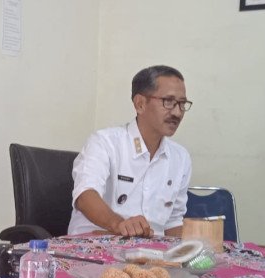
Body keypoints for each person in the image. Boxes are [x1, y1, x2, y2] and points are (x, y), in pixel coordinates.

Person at [68, 65, 192, 238]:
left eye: (182, 104)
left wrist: (187, 250)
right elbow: (85, 196)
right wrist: (119, 225)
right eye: (168, 101)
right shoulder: (105, 142)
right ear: (140, 104)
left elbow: (173, 221)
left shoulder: (180, 157)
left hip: (151, 249)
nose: (177, 112)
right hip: (97, 243)